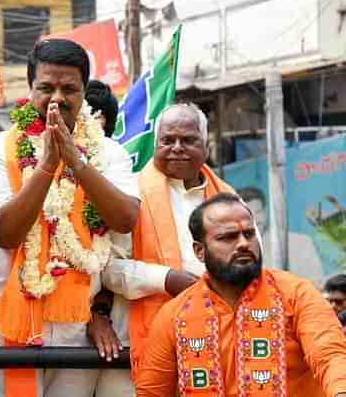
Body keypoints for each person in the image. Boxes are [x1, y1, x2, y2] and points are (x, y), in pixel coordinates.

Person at [0, 38, 139, 397]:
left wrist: (76, 162)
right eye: (46, 88)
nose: (57, 98)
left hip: (75, 328)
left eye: (69, 89)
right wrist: (48, 165)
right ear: (30, 88)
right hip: (5, 324)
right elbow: (5, 234)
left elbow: (126, 219)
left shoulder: (108, 153)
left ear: (83, 93)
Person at [136, 193, 346, 397]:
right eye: (227, 237)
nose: (244, 243)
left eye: (249, 234)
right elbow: (152, 391)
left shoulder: (296, 294)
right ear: (200, 251)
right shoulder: (174, 316)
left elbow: (329, 354)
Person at [97, 103, 235, 384]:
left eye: (188, 140)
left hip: (215, 342)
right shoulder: (129, 194)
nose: (177, 148)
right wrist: (166, 279)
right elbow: (107, 267)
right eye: (168, 140)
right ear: (156, 143)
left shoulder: (230, 201)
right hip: (134, 350)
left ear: (206, 145)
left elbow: (248, 265)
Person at [237, 186, 323, 284]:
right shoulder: (239, 253)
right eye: (249, 214)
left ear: (265, 212)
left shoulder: (300, 242)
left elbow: (317, 283)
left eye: (258, 212)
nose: (256, 219)